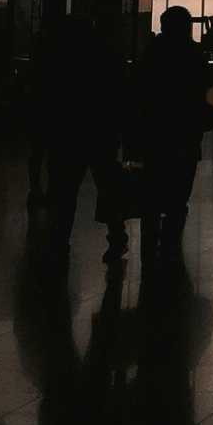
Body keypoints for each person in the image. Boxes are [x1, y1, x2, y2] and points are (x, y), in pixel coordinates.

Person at [34, 13, 130, 261]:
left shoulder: (59, 60)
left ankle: (59, 239)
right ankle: (117, 236)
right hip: (101, 133)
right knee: (107, 188)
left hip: (68, 135)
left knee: (64, 192)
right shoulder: (106, 57)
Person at [135, 5, 213, 264]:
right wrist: (208, 117)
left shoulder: (152, 53)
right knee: (180, 190)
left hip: (154, 133)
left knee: (152, 188)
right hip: (186, 132)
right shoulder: (194, 55)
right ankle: (171, 240)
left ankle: (150, 240)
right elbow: (208, 90)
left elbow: (139, 92)